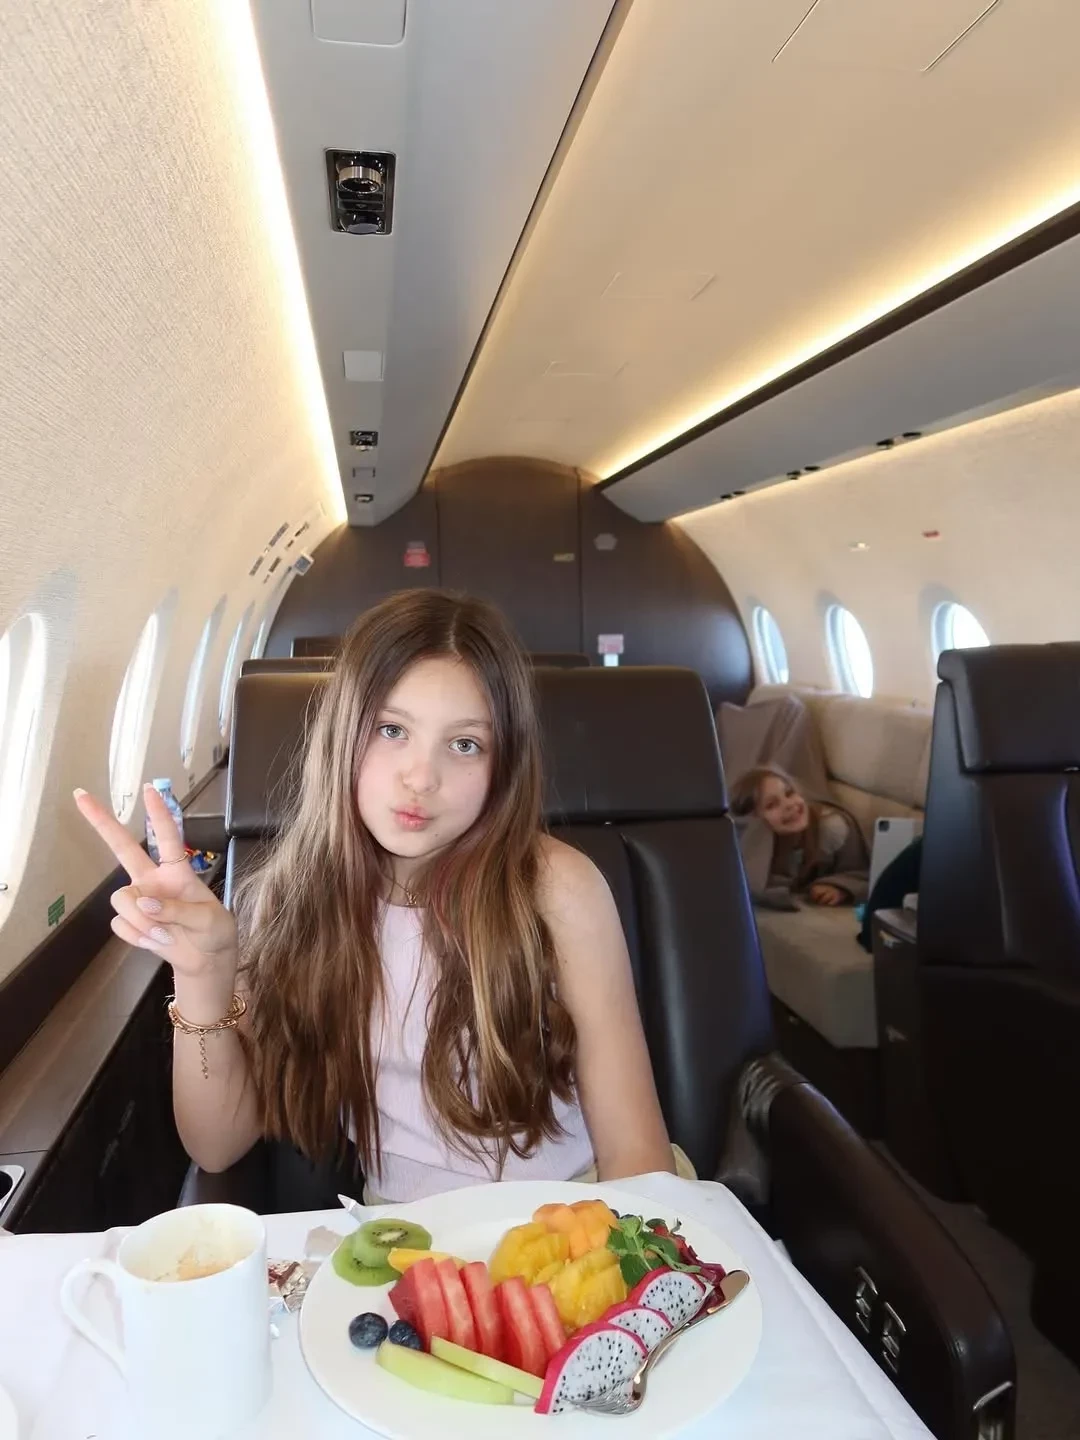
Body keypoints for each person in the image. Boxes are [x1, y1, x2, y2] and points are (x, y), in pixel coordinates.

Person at [75, 590, 679, 1203]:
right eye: (392, 730)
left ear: (504, 766)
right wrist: (202, 980)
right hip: (404, 1236)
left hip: (582, 1209)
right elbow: (217, 1146)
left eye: (465, 744)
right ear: (343, 735)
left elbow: (636, 1153)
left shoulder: (557, 889)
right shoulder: (289, 901)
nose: (421, 778)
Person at [730, 764, 868, 908]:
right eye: (772, 805)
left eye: (789, 793)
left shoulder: (832, 828)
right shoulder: (748, 844)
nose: (789, 805)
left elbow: (861, 873)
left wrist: (840, 887)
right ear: (753, 821)